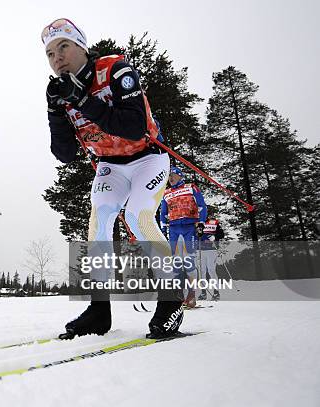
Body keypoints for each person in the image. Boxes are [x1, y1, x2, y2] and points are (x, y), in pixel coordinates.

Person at [42, 18, 183, 339]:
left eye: (63, 46)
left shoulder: (114, 69)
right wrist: (55, 112)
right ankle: (99, 310)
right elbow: (64, 155)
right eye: (50, 53)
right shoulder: (61, 91)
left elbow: (134, 126)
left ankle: (172, 297)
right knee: (99, 223)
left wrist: (81, 101)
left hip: (148, 156)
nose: (57, 57)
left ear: (81, 47)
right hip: (111, 165)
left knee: (138, 216)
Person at [160, 166, 207, 307]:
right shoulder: (166, 193)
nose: (170, 178)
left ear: (180, 176)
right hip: (174, 229)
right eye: (168, 176)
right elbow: (163, 213)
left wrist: (201, 224)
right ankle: (178, 294)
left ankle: (192, 295)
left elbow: (202, 206)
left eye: (173, 175)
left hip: (189, 227)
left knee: (188, 260)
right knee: (175, 262)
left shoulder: (191, 187)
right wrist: (162, 228)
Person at [197, 215, 225, 301]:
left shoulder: (213, 222)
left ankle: (216, 292)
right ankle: (203, 293)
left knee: (211, 270)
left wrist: (215, 237)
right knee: (202, 271)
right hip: (200, 250)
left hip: (211, 250)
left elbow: (221, 234)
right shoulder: (197, 223)